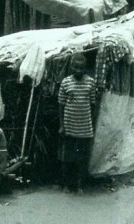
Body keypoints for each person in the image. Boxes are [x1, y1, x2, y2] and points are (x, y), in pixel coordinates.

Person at [58, 55, 96, 193]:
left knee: (82, 158)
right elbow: (61, 105)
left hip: (85, 127)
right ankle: (67, 185)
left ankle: (80, 186)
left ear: (85, 68)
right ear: (71, 67)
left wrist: (89, 122)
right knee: (67, 157)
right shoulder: (66, 82)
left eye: (81, 67)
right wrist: (62, 125)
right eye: (76, 67)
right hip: (69, 126)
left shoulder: (91, 83)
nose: (78, 70)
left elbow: (92, 104)